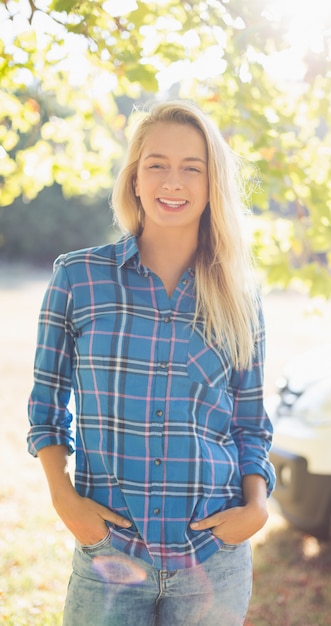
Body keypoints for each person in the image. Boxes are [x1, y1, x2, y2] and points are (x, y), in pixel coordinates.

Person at [27, 99, 276, 626]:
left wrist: (255, 508)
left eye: (193, 168)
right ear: (134, 179)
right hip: (109, 557)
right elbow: (45, 408)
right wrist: (64, 499)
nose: (173, 181)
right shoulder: (78, 279)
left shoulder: (238, 295)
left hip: (215, 561)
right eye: (156, 164)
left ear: (212, 186)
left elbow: (251, 424)